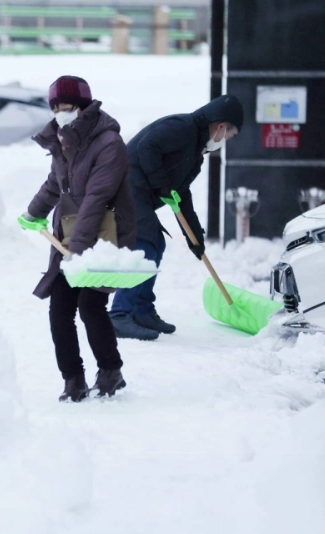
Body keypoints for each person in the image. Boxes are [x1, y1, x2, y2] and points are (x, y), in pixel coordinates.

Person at [18, 76, 136, 402]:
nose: (59, 112)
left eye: (66, 106)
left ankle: (110, 371)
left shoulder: (109, 143)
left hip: (104, 236)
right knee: (60, 310)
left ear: (83, 106)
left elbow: (97, 199)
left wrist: (78, 251)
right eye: (54, 107)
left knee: (90, 305)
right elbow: (55, 184)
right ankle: (73, 380)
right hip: (70, 236)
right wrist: (32, 213)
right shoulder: (63, 142)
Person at [109, 95, 244, 341]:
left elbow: (181, 194)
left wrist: (195, 237)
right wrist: (162, 185)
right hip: (125, 184)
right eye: (229, 135)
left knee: (156, 244)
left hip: (138, 190)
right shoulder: (182, 128)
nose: (225, 141)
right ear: (221, 126)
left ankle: (141, 309)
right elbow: (147, 146)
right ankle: (119, 314)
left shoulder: (195, 153)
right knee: (145, 243)